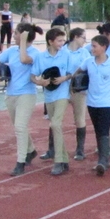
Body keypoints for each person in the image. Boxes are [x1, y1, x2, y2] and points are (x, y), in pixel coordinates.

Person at [0, 23, 43, 176]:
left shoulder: (35, 53)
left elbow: (24, 59)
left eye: (17, 33)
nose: (14, 36)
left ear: (24, 36)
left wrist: (24, 42)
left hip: (27, 94)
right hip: (11, 94)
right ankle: (31, 150)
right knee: (19, 127)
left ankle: (20, 162)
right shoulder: (12, 50)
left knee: (20, 127)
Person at [78, 34, 110, 176]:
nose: (92, 49)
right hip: (91, 103)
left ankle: (103, 160)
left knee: (104, 131)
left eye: (94, 46)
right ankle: (103, 159)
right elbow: (78, 72)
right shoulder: (88, 62)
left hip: (106, 103)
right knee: (97, 131)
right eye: (91, 46)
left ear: (103, 47)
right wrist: (74, 84)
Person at [31, 27, 72, 176]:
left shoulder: (66, 54)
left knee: (55, 124)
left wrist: (64, 78)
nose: (62, 43)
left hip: (62, 94)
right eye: (59, 40)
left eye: (63, 40)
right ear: (50, 41)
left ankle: (58, 161)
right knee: (56, 127)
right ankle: (65, 159)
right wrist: (40, 81)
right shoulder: (41, 57)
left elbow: (71, 72)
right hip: (49, 95)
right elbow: (33, 75)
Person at [66, 28, 91, 161]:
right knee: (55, 119)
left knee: (80, 119)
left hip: (78, 89)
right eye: (83, 37)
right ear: (75, 37)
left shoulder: (85, 53)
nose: (84, 41)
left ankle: (80, 149)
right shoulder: (63, 51)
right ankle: (52, 149)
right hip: (62, 89)